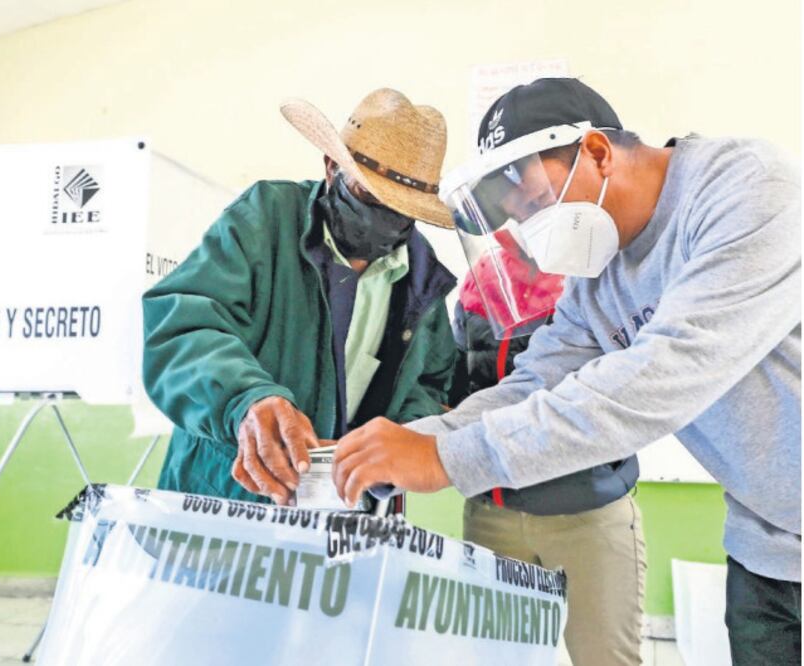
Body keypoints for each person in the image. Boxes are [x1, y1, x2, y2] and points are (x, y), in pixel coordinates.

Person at [331, 78, 801, 663]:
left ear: (598, 153)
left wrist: (448, 459)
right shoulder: (597, 284)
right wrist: (419, 441)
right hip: (766, 551)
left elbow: (664, 374)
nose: (530, 231)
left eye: (532, 204)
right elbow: (533, 382)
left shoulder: (746, 188)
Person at [143, 88, 457, 507]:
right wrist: (248, 399)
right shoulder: (264, 219)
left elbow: (430, 387)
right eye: (369, 195)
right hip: (226, 500)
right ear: (331, 167)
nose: (384, 218)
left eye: (401, 209)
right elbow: (182, 327)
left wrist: (394, 450)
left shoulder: (423, 280)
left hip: (348, 518)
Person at [451, 237, 645, 665]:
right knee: (493, 657)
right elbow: (457, 387)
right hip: (492, 514)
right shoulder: (478, 284)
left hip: (587, 514)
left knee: (605, 658)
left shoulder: (597, 277)